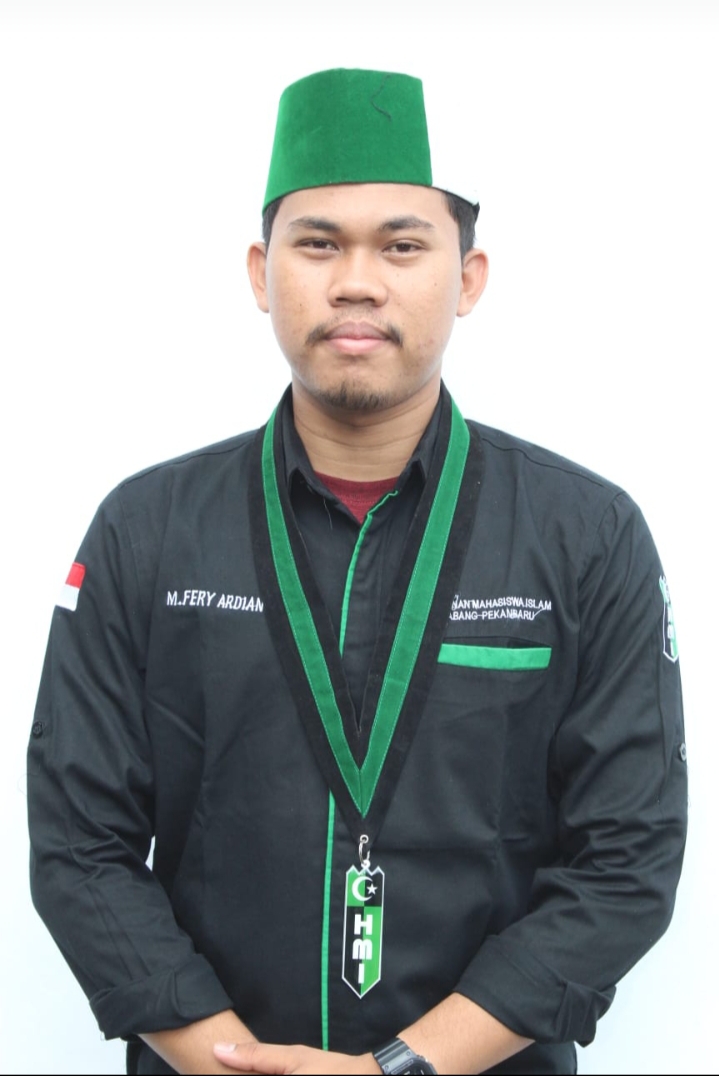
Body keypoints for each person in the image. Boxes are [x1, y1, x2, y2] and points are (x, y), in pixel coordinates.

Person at [28, 68, 687, 1076]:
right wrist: (226, 1059)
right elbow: (79, 842)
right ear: (262, 272)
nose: (356, 282)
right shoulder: (146, 530)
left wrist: (403, 1067)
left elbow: (625, 860)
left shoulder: (584, 535)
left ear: (468, 277)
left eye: (402, 245)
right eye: (319, 243)